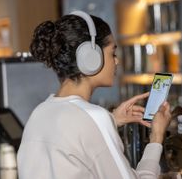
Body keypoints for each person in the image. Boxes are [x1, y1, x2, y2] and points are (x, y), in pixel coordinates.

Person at [17, 11, 172, 179]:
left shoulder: (39, 114)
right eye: (112, 53)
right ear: (90, 57)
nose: (116, 61)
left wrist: (112, 120)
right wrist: (156, 138)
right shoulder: (95, 118)